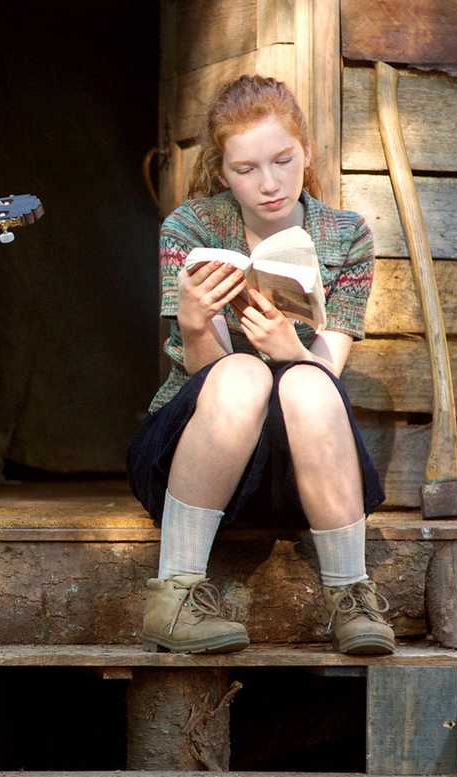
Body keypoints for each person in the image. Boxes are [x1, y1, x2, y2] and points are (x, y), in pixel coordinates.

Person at [127, 75, 395, 657]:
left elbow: (331, 366)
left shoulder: (346, 236)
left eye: (282, 160)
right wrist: (198, 324)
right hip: (196, 457)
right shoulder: (191, 228)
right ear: (222, 172)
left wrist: (289, 350)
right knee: (243, 374)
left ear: (307, 153)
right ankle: (175, 594)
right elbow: (206, 378)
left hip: (301, 465)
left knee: (303, 380)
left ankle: (350, 595)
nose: (269, 183)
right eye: (246, 169)